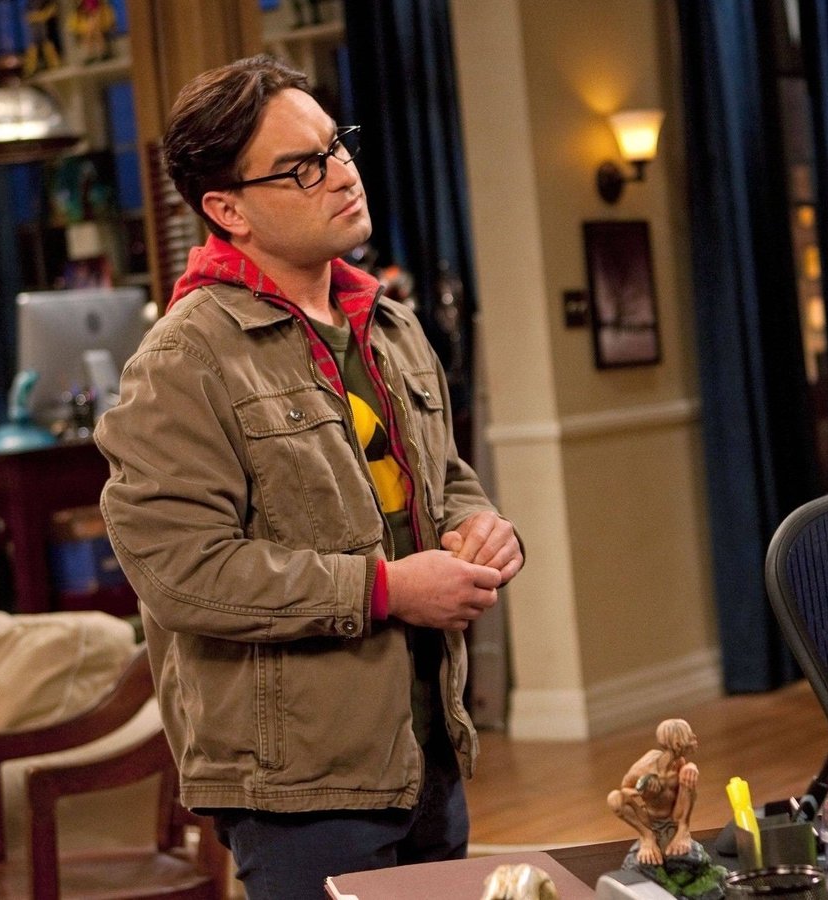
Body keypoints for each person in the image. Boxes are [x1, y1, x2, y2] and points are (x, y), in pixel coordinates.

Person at [95, 55, 523, 899]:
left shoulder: (390, 325)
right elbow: (181, 571)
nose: (342, 174)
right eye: (301, 167)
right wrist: (386, 590)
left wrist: (483, 529)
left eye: (338, 145)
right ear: (226, 210)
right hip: (299, 783)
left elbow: (445, 477)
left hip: (429, 747)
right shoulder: (184, 360)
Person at [607, 718, 701, 865]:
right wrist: (641, 790)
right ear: (677, 744)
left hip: (674, 817)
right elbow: (624, 789)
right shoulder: (645, 766)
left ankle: (683, 831)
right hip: (649, 819)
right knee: (614, 798)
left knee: (688, 772)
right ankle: (647, 837)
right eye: (690, 736)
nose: (694, 738)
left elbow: (686, 791)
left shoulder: (679, 762)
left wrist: (692, 767)